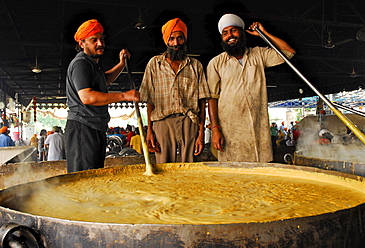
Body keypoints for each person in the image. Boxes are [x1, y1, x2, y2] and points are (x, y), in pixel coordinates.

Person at [207, 13, 295, 162]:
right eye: (225, 33)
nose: (230, 36)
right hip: (230, 129)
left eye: (234, 30)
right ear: (222, 38)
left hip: (257, 127)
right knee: (233, 174)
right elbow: (212, 97)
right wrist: (215, 129)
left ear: (242, 32)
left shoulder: (259, 54)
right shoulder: (216, 63)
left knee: (259, 173)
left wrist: (263, 33)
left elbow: (288, 52)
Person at [65, 19, 140, 173]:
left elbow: (104, 80)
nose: (100, 43)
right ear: (82, 43)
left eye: (102, 39)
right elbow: (87, 97)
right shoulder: (81, 64)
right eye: (94, 40)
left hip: (94, 127)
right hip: (83, 128)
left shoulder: (92, 64)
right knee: (84, 177)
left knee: (94, 173)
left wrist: (121, 64)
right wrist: (124, 96)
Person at [139, 18, 211, 163]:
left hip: (189, 122)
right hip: (162, 123)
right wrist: (149, 131)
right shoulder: (154, 64)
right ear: (166, 41)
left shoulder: (195, 66)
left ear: (185, 39)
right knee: (164, 168)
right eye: (171, 39)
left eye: (180, 38)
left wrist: (201, 133)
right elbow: (149, 101)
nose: (176, 43)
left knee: (189, 167)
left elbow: (202, 102)